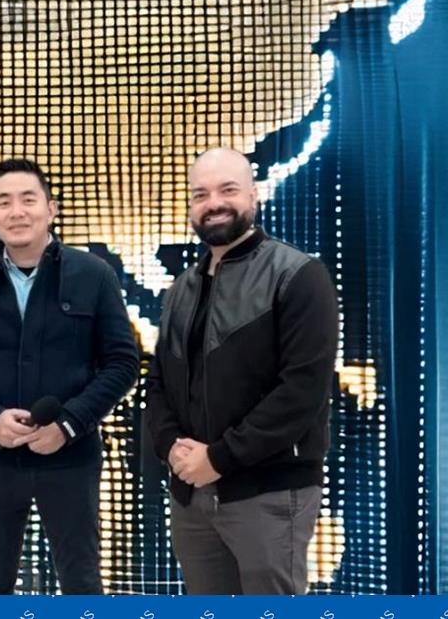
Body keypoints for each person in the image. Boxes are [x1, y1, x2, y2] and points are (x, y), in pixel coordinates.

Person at [0, 159, 139, 594]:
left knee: (81, 581)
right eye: (4, 202)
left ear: (51, 209)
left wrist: (69, 424)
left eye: (28, 199)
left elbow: (122, 362)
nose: (17, 212)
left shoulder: (94, 275)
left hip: (72, 458)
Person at [144, 148, 339, 594]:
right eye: (201, 194)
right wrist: (171, 448)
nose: (214, 203)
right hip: (192, 497)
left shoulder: (299, 276)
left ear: (253, 195)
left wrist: (218, 459)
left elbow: (302, 392)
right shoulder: (181, 290)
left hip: (269, 495)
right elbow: (159, 383)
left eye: (227, 190)